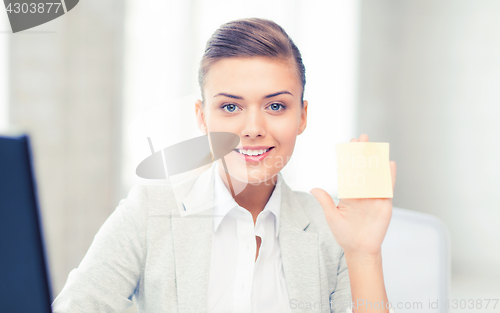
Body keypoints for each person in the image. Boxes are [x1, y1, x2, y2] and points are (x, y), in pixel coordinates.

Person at [52, 17, 397, 313]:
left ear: (302, 116)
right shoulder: (150, 209)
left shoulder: (330, 231)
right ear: (202, 118)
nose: (252, 129)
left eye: (276, 106)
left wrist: (364, 254)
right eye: (230, 108)